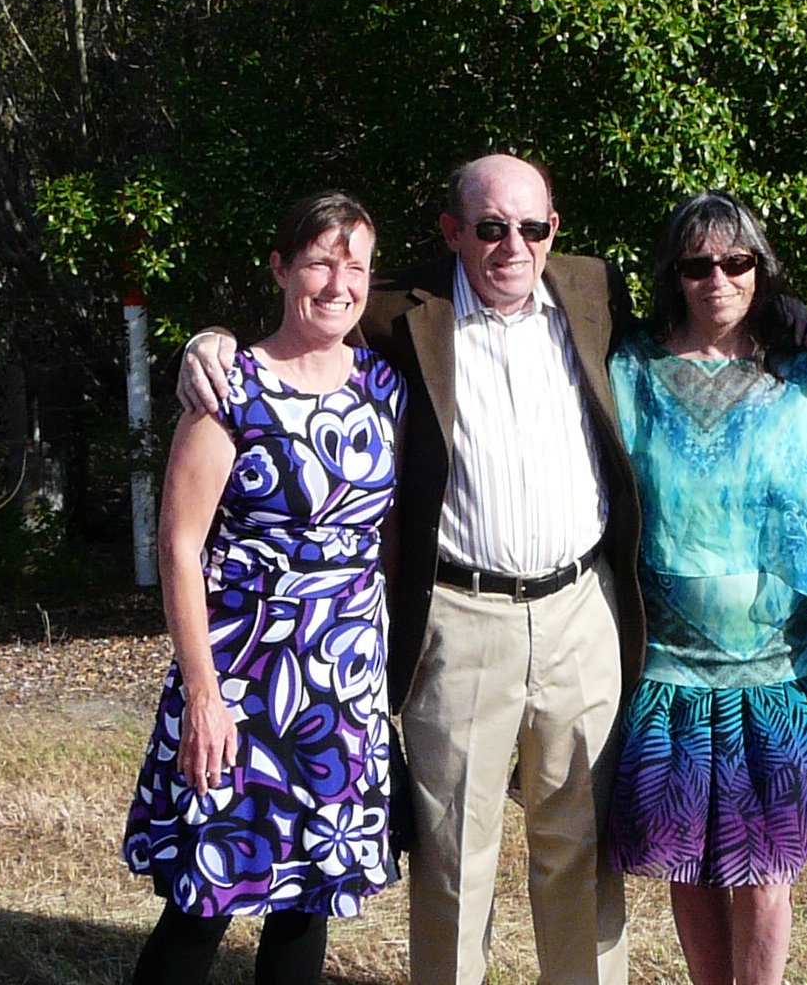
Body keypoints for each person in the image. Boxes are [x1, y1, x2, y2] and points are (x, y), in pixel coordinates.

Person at [179, 154, 645, 985]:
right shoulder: (398, 312)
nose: (513, 246)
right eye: (491, 227)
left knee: (580, 845)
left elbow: (713, 313)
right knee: (453, 857)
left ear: (554, 230)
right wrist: (208, 342)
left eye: (530, 227)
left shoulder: (594, 291)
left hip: (582, 610)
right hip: (462, 619)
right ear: (453, 230)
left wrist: (795, 322)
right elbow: (306, 324)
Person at [123, 191, 402, 985]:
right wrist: (203, 697)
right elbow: (179, 547)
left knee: (308, 900)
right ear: (280, 269)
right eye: (318, 263)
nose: (338, 284)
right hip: (241, 680)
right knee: (204, 897)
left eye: (355, 266)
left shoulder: (385, 385)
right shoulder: (229, 388)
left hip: (341, 685)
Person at [603, 191, 807, 985]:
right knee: (688, 863)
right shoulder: (629, 371)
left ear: (761, 269)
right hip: (667, 670)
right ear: (673, 275)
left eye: (736, 261)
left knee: (767, 867)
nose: (718, 278)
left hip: (782, 672)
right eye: (697, 264)